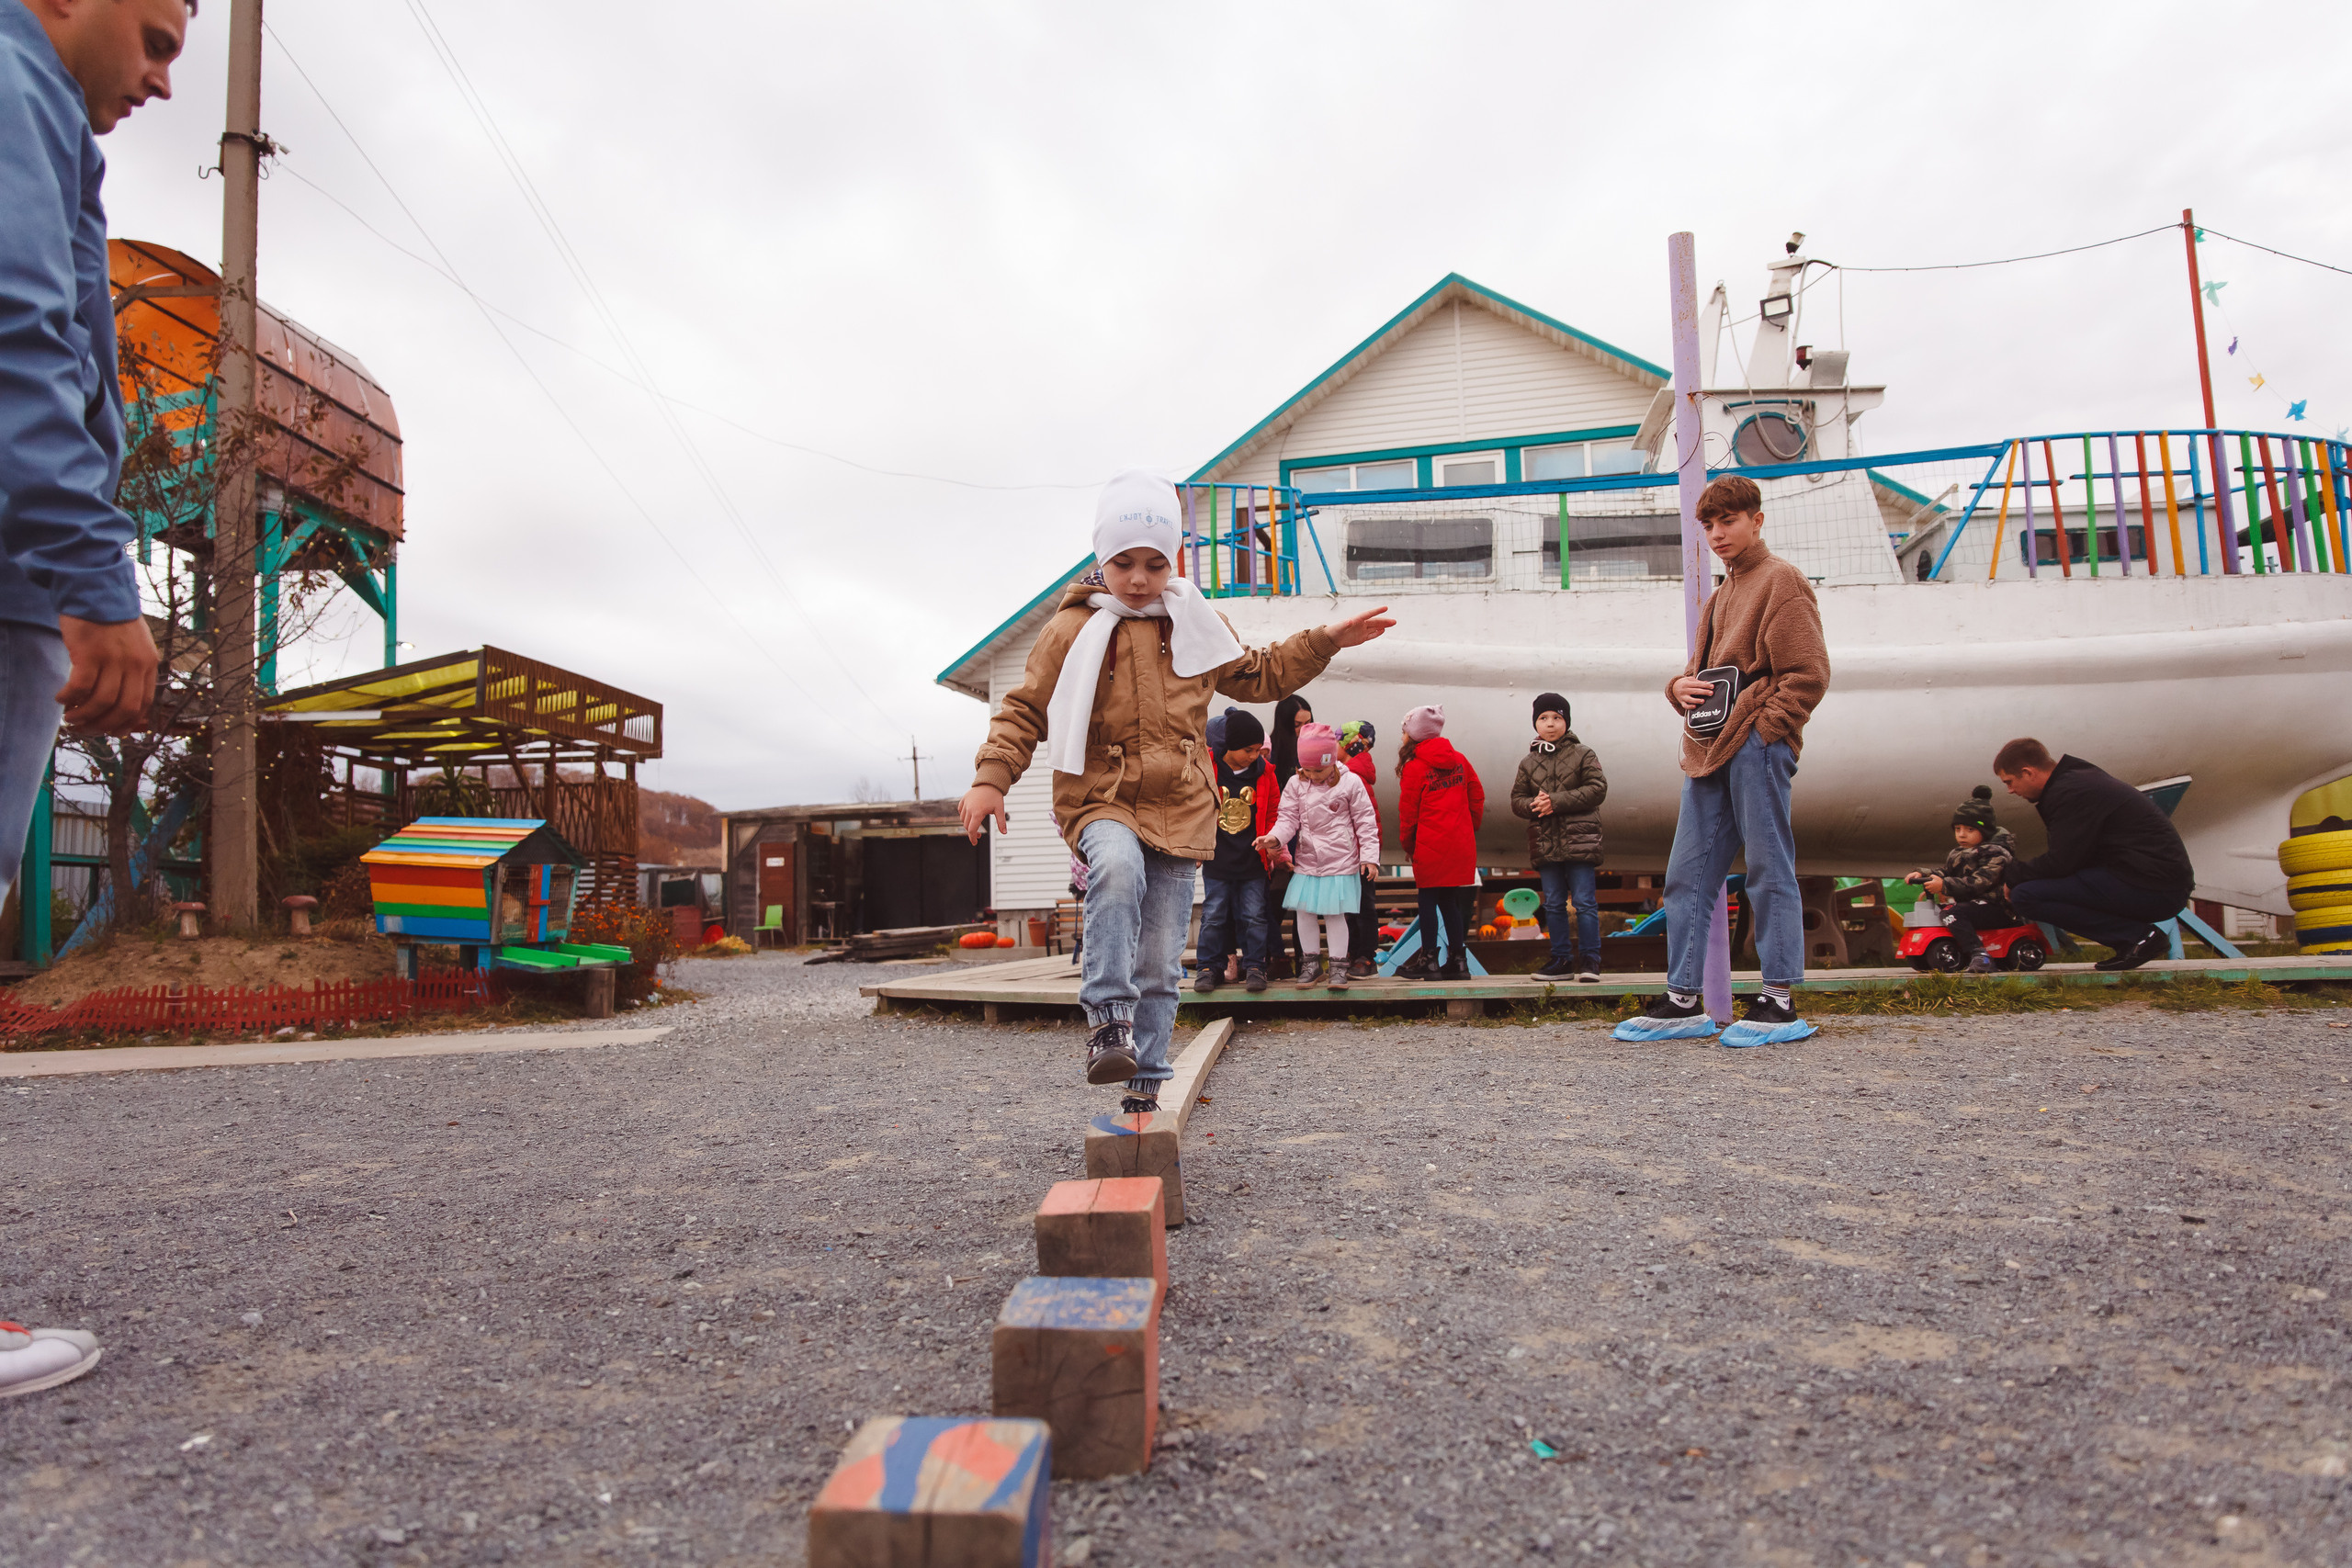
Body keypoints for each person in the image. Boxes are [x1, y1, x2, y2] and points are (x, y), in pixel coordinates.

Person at [959, 471, 1392, 1109]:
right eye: (1124, 562)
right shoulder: (1071, 630)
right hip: (1100, 792)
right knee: (1114, 864)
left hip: (1181, 804)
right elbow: (1026, 708)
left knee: (1162, 959)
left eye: (1155, 563)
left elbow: (1259, 672)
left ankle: (1144, 1089)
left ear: (1175, 560)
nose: (1138, 578)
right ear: (1101, 559)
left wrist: (1323, 641)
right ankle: (1108, 1014)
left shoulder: (1195, 621)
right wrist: (990, 778)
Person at [1, 0, 189, 1403]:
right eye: (159, 33)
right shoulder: (15, 87)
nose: (166, 75)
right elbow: (16, 327)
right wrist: (85, 560)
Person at [1617, 474, 1829, 1047]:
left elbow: (1808, 674)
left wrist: (1767, 730)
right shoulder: (1721, 594)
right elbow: (1700, 672)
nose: (1716, 534)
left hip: (1756, 745)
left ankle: (1778, 997)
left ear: (1757, 520)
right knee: (1686, 876)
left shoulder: (1781, 581)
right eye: (1708, 525)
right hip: (1709, 751)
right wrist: (1676, 689)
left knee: (1768, 868)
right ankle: (1683, 998)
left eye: (1728, 521)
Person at [1993, 738, 2193, 972]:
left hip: (2156, 887)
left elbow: (2061, 862)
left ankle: (2138, 938)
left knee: (2027, 895)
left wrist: (2013, 875)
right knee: (2034, 888)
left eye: (2010, 782)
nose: (2010, 791)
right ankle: (2136, 937)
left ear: (2028, 772)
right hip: (2152, 880)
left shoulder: (2070, 792)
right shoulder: (2076, 780)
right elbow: (2074, 858)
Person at [1255, 722, 1380, 990]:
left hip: (1341, 861)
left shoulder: (1351, 782)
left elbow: (1366, 822)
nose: (1313, 775)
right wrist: (1275, 838)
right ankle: (1310, 964)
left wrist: (1369, 857)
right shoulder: (1296, 784)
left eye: (1319, 769)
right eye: (1307, 769)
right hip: (1308, 861)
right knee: (1304, 911)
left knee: (1335, 915)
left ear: (1332, 761)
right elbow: (1287, 818)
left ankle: (1338, 967)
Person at [1510, 692, 1607, 982]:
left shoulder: (1583, 754)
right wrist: (1532, 805)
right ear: (1535, 723)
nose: (1550, 724)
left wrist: (1555, 800)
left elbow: (1597, 789)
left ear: (1566, 721)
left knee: (1585, 902)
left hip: (1580, 842)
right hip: (1545, 843)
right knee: (1552, 903)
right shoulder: (1528, 762)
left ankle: (1591, 961)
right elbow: (1516, 799)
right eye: (1543, 718)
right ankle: (1561, 961)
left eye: (1557, 717)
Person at [1394, 704, 1484, 981]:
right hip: (1458, 842)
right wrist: (1468, 831)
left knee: (1427, 901)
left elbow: (1408, 814)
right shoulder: (1459, 760)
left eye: (1404, 731)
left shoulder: (1415, 768)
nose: (1402, 737)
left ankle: (1429, 959)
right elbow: (1476, 798)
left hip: (1430, 844)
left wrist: (1409, 846)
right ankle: (1458, 960)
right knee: (1449, 902)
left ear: (1415, 735)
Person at [1195, 706, 1278, 995]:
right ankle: (1208, 967)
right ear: (1230, 746)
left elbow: (1273, 812)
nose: (1255, 756)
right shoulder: (1207, 767)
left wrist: (1271, 842)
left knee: (1254, 916)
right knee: (1214, 915)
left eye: (1258, 750)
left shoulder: (1266, 773)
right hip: (1217, 858)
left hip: (1252, 859)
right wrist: (1196, 845)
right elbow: (1194, 806)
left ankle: (1255, 966)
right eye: (1248, 750)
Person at [1905, 785, 2017, 974]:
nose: (1962, 834)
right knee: (1946, 911)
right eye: (1958, 829)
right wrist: (1924, 875)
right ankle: (1943, 952)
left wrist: (1945, 885)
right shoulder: (1958, 853)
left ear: (1986, 831)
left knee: (1953, 912)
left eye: (1970, 829)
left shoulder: (1997, 854)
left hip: (1995, 906)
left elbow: (1980, 882)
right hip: (1973, 906)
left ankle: (1979, 954)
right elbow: (1946, 871)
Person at [1338, 718, 1380, 977]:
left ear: (1350, 745)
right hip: (1350, 851)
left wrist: (1368, 855)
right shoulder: (1354, 773)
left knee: (1363, 905)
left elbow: (1364, 819)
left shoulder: (1353, 777)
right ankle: (1355, 952)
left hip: (1359, 853)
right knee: (1352, 905)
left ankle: (1365, 955)